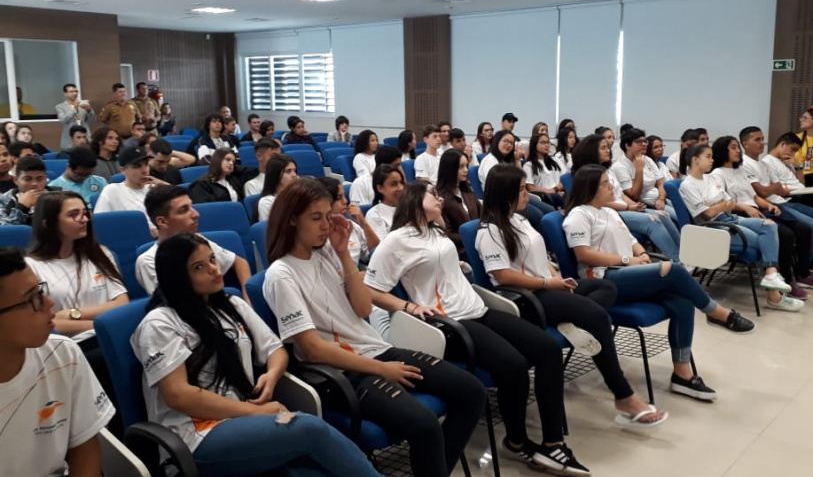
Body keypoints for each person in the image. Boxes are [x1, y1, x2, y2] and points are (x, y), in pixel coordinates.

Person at [365, 180, 591, 476]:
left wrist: (455, 268)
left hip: (477, 309)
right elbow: (371, 289)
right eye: (433, 194)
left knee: (547, 350)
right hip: (451, 324)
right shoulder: (396, 241)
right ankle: (517, 441)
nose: (439, 198)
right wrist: (408, 306)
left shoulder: (435, 229)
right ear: (414, 200)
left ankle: (553, 442)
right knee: (513, 366)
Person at [263, 179, 483, 477]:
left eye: (327, 216)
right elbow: (312, 350)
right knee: (424, 425)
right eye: (316, 218)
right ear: (291, 220)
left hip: (376, 350)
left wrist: (343, 254)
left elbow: (364, 310)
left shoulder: (328, 253)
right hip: (341, 372)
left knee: (472, 392)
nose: (326, 225)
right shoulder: (281, 274)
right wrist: (381, 369)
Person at [131, 233, 381, 477]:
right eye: (199, 267)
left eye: (212, 259)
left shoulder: (230, 305)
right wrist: (253, 412)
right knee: (309, 429)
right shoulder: (160, 324)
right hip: (196, 436)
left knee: (311, 470)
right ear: (178, 277)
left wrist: (271, 376)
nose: (214, 269)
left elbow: (275, 350)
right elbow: (178, 395)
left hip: (240, 419)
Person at [477, 164, 673, 422]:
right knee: (597, 316)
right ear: (505, 194)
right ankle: (623, 395)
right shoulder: (490, 231)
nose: (527, 194)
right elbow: (503, 277)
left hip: (548, 285)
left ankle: (571, 321)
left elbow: (540, 258)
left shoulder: (520, 219)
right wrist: (548, 284)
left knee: (605, 286)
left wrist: (557, 277)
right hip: (528, 298)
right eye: (522, 189)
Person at [564, 165, 754, 399]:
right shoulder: (579, 215)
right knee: (673, 270)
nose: (611, 186)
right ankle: (716, 313)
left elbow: (631, 239)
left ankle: (682, 375)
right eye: (604, 184)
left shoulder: (609, 212)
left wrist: (642, 254)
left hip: (628, 271)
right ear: (589, 189)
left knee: (683, 302)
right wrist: (629, 260)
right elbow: (583, 255)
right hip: (604, 280)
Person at [0, 248, 115, 477]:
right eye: (31, 299)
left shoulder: (63, 355)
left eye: (40, 291)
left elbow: (85, 449)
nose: (49, 303)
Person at [679, 144, 803, 312]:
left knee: (769, 225)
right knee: (764, 241)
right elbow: (707, 214)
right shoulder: (687, 185)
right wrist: (720, 205)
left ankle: (771, 274)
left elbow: (730, 202)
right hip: (715, 228)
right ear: (695, 160)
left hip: (730, 218)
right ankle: (774, 296)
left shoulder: (710, 179)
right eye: (708, 156)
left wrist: (718, 205)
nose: (712, 160)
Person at [710, 136, 813, 300]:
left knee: (803, 229)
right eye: (733, 147)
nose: (738, 150)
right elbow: (724, 202)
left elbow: (754, 196)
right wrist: (747, 207)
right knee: (785, 234)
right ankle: (786, 280)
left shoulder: (739, 170)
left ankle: (803, 273)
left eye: (738, 147)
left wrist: (768, 204)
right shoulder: (717, 174)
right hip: (740, 213)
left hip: (757, 208)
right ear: (723, 150)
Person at [26, 191, 128, 341]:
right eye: (73, 215)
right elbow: (41, 323)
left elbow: (121, 303)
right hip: (70, 343)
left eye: (85, 213)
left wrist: (73, 313)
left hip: (110, 337)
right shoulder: (30, 267)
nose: (85, 219)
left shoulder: (100, 253)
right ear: (48, 224)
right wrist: (101, 326)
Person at [572, 134, 682, 262]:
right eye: (603, 148)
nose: (608, 150)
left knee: (663, 215)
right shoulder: (588, 174)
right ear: (591, 150)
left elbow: (620, 194)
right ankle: (677, 261)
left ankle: (684, 254)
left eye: (608, 147)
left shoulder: (607, 170)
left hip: (623, 207)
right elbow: (600, 202)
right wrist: (628, 207)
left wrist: (634, 206)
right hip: (611, 212)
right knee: (653, 221)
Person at [139, 185, 252, 297]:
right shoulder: (149, 261)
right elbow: (174, 300)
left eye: (191, 207)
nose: (196, 214)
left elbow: (239, 263)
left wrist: (249, 299)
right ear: (162, 222)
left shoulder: (198, 240)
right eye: (184, 210)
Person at [94, 147, 166, 235]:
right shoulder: (112, 191)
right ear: (123, 170)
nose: (144, 170)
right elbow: (100, 225)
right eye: (137, 166)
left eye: (146, 164)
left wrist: (166, 186)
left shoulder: (155, 189)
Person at [612, 128, 676, 222]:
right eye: (639, 142)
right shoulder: (620, 166)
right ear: (627, 146)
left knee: (683, 209)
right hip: (646, 203)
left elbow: (660, 182)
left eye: (645, 141)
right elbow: (634, 195)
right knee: (676, 216)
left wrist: (661, 199)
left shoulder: (647, 159)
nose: (644, 144)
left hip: (660, 198)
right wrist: (639, 170)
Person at [436, 148, 480, 257]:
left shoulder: (467, 192)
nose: (466, 170)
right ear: (450, 169)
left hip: (479, 243)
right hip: (461, 249)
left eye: (466, 166)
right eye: (461, 167)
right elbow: (446, 233)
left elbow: (483, 216)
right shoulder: (440, 199)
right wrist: (470, 237)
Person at [1, 157, 61, 226]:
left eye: (40, 179)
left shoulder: (59, 196)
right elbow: (5, 230)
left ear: (45, 179)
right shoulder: (4, 200)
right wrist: (22, 207)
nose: (34, 184)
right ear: (16, 180)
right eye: (28, 179)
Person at [524, 132, 565, 208]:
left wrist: (555, 190)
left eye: (548, 142)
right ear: (534, 145)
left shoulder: (556, 160)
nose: (547, 145)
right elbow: (531, 188)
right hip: (543, 197)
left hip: (559, 193)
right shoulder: (529, 165)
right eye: (543, 143)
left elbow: (564, 179)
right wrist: (551, 192)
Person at [365, 164, 404, 241]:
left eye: (401, 182)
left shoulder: (411, 207)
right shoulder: (375, 214)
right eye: (394, 184)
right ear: (380, 188)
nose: (400, 188)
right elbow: (383, 244)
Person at [256, 154, 297, 223]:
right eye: (288, 171)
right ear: (276, 174)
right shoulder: (267, 202)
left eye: (295, 171)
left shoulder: (296, 196)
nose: (294, 175)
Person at [55, 83, 94, 149]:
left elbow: (93, 120)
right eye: (71, 91)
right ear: (65, 93)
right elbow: (63, 120)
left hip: (85, 136)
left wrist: (89, 110)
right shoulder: (60, 106)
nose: (75, 93)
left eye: (76, 91)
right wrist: (74, 109)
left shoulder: (84, 103)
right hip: (70, 138)